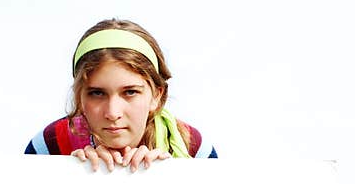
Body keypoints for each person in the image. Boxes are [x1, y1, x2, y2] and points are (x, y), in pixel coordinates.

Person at [24, 18, 217, 172]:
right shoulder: (50, 146)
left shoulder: (194, 150)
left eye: (130, 92)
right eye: (97, 93)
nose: (113, 112)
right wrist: (71, 174)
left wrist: (162, 175)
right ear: (79, 97)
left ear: (157, 96)